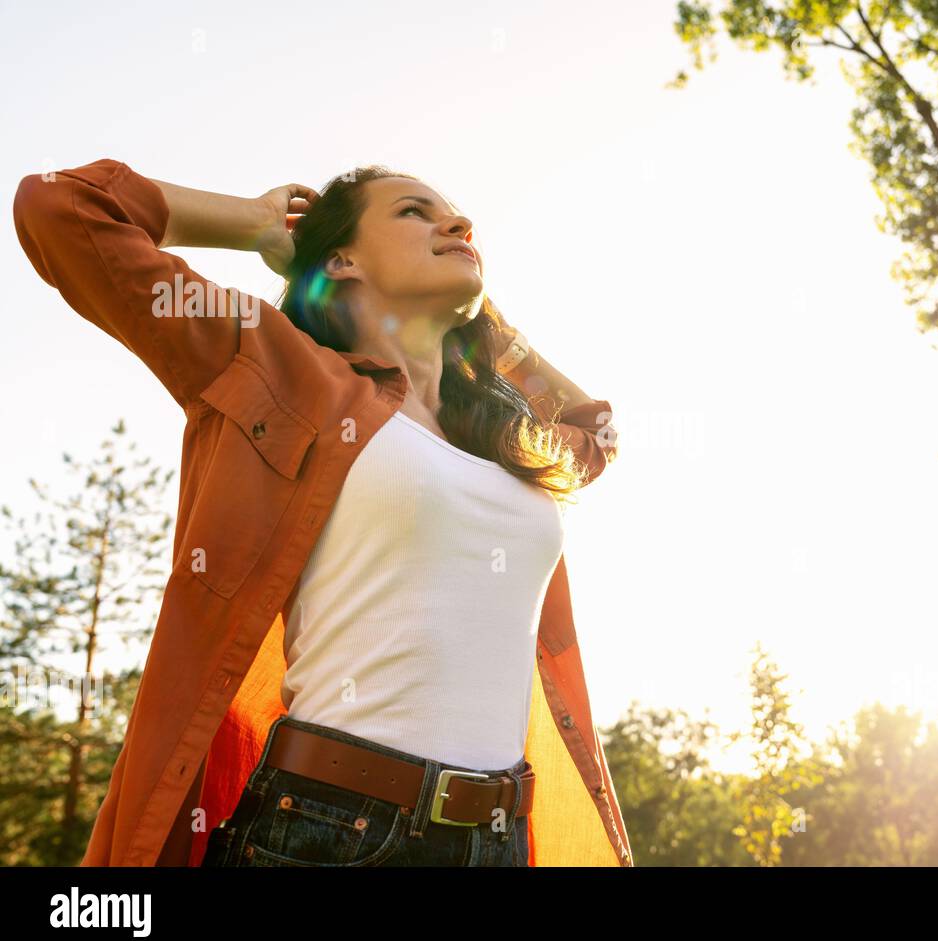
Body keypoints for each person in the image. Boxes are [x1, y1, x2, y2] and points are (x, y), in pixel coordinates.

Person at [13, 159, 632, 867]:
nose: (456, 224)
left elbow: (597, 429)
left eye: (458, 217)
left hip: (498, 839)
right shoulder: (286, 369)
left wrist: (489, 324)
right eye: (412, 211)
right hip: (331, 829)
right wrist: (255, 224)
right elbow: (60, 207)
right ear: (339, 258)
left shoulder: (507, 440)